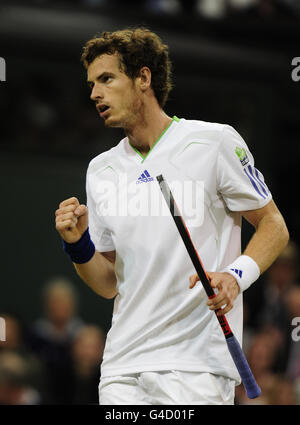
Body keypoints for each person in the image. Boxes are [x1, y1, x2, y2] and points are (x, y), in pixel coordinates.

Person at [55, 27, 289, 405]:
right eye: (92, 83)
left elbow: (274, 226)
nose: (94, 93)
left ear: (143, 78)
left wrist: (235, 276)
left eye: (107, 79)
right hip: (121, 369)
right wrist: (77, 243)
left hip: (195, 368)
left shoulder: (214, 143)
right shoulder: (101, 170)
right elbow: (108, 283)